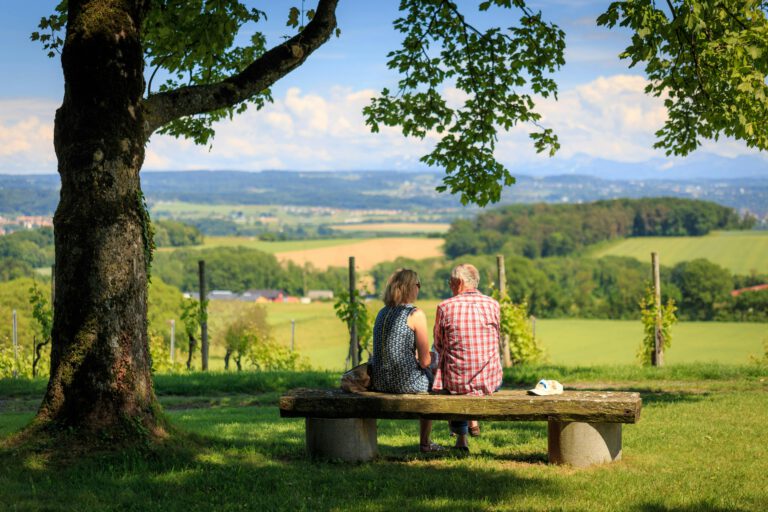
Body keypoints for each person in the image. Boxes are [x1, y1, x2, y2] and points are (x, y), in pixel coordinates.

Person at [369, 268, 443, 453]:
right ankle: (427, 443)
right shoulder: (415, 314)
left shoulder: (382, 312)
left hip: (379, 381)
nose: (419, 288)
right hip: (404, 382)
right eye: (418, 284)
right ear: (411, 287)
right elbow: (425, 361)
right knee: (436, 383)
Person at [432, 263, 502, 452]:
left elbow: (438, 344)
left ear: (460, 282)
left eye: (450, 282)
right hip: (490, 382)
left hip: (457, 382)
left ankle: (461, 438)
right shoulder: (493, 304)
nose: (449, 285)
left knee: (452, 374)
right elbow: (497, 339)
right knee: (465, 366)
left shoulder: (445, 307)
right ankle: (472, 421)